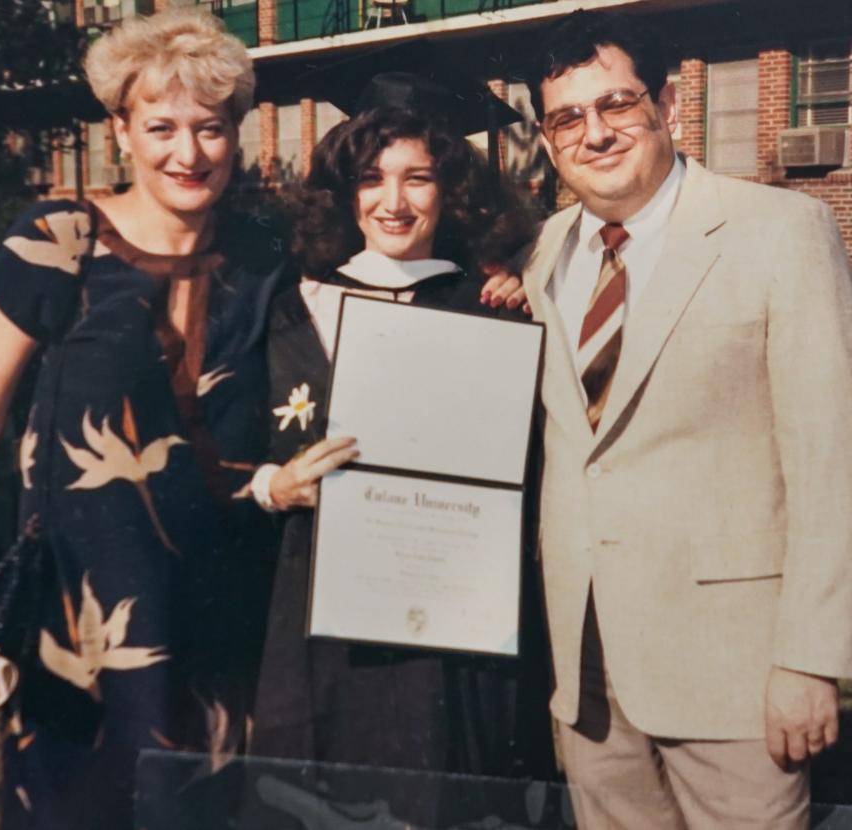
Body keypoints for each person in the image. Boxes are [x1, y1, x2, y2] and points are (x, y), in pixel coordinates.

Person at [0, 10, 289, 829]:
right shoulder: (57, 243)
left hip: (224, 620)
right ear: (120, 128)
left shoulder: (263, 257)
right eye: (162, 127)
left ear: (237, 133)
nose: (189, 153)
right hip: (80, 628)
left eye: (211, 129)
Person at [520, 10, 852, 829]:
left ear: (666, 103)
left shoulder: (782, 231)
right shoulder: (539, 254)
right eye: (567, 117)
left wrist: (811, 660)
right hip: (590, 681)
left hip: (735, 680)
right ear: (547, 137)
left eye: (616, 105)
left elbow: (832, 461)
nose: (595, 134)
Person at [249, 76, 555, 804]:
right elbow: (240, 448)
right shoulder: (294, 305)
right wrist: (274, 484)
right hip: (323, 616)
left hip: (455, 628)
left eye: (418, 178)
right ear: (341, 192)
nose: (394, 202)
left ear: (451, 190)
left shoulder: (494, 310)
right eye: (371, 179)